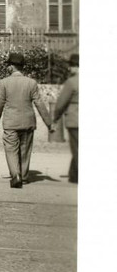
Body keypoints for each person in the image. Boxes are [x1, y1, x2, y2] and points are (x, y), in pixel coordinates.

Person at [0, 50, 52, 188]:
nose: (7, 67)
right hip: (28, 122)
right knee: (25, 150)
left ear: (11, 66)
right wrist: (49, 123)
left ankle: (15, 175)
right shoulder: (31, 83)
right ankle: (24, 176)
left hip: (11, 123)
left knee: (11, 149)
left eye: (8, 65)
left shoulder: (4, 82)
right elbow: (40, 104)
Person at [51, 52, 79, 184]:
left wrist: (55, 118)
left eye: (71, 66)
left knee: (77, 148)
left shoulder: (72, 82)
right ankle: (73, 176)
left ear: (75, 66)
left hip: (75, 120)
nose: (70, 68)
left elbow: (61, 103)